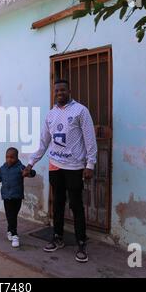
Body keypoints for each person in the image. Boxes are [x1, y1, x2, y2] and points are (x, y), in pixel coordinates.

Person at [23, 79, 97, 263]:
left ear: (69, 91)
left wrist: (90, 165)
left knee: (76, 205)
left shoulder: (80, 110)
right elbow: (43, 142)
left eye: (63, 90)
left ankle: (81, 243)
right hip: (55, 165)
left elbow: (90, 139)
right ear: (54, 92)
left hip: (74, 166)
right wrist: (31, 163)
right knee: (57, 203)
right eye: (57, 90)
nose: (60, 93)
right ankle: (57, 237)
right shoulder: (50, 115)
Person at [0, 147, 36, 248]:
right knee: (10, 215)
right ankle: (14, 235)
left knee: (13, 215)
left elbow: (31, 173)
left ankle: (10, 230)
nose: (9, 159)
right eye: (7, 157)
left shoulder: (20, 167)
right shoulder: (3, 168)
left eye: (12, 157)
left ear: (17, 157)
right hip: (6, 197)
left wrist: (30, 172)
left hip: (17, 196)